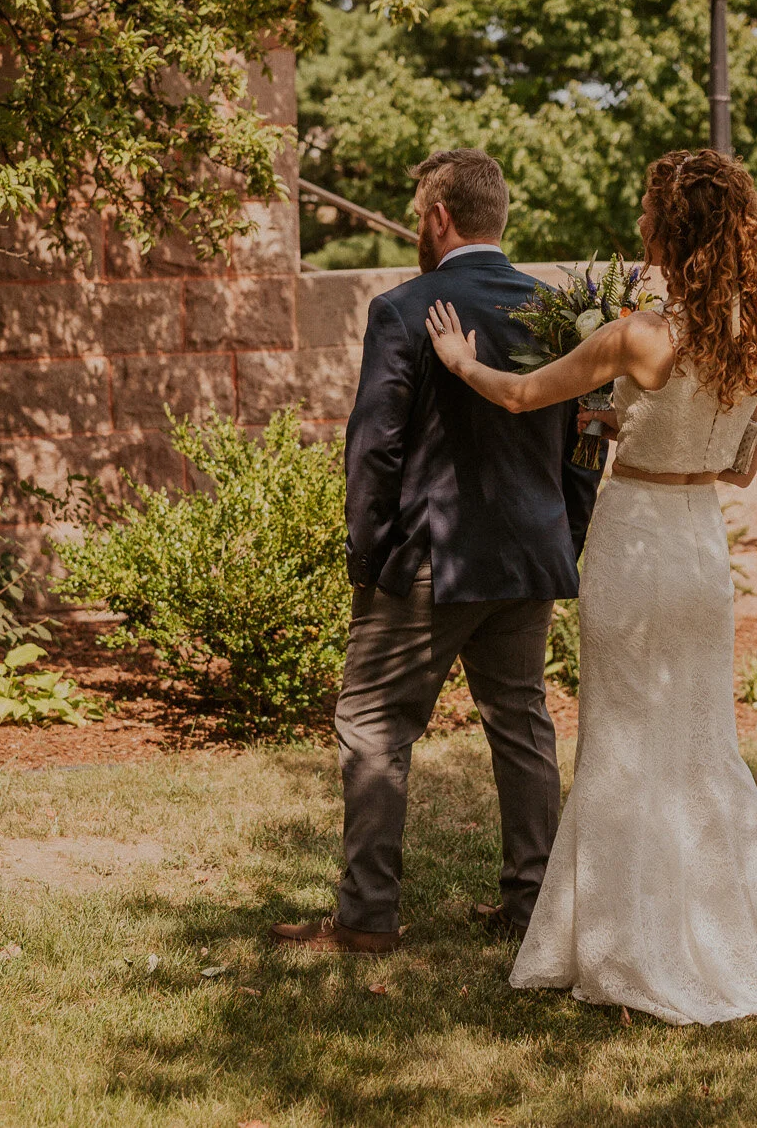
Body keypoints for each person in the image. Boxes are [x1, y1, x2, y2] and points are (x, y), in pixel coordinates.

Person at [421, 149, 757, 1025]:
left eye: (651, 208)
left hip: (638, 541)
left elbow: (521, 394)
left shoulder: (638, 332)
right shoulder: (745, 340)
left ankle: (630, 949)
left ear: (671, 228)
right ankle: (744, 946)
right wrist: (634, 423)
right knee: (698, 746)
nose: (641, 219)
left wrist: (462, 361)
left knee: (622, 742)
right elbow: (742, 467)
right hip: (700, 553)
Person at [270, 148, 600, 954]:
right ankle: (531, 908)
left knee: (373, 720)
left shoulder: (405, 308)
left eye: (422, 213)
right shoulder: (560, 314)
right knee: (521, 725)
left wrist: (371, 556)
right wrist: (566, 534)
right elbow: (584, 445)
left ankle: (367, 916)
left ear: (439, 217)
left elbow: (373, 449)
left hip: (423, 561)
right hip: (527, 559)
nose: (421, 227)